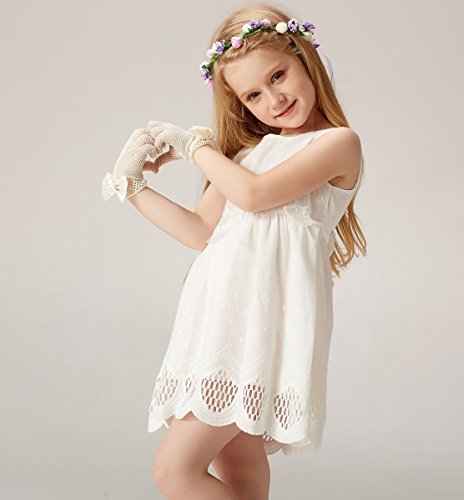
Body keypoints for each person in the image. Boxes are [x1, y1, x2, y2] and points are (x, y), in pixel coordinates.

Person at [101, 3, 366, 499]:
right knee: (240, 474)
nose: (274, 98)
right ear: (241, 104)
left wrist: (192, 147)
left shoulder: (337, 144)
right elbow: (201, 232)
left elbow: (254, 195)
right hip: (219, 323)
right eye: (253, 94)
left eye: (278, 75)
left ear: (306, 60)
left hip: (262, 331)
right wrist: (132, 185)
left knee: (175, 471)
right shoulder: (246, 157)